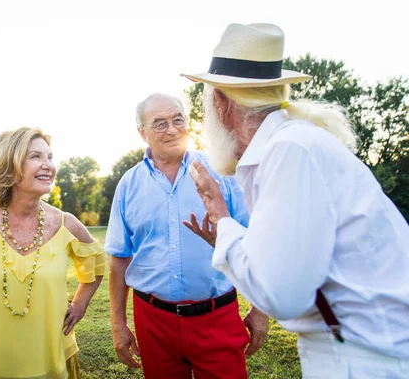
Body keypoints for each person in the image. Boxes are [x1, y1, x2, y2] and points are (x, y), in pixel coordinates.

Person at [181, 23, 409, 378]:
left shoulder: (290, 151)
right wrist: (228, 235)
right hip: (359, 348)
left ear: (222, 103)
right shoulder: (288, 146)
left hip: (368, 357)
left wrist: (222, 218)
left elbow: (282, 296)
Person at [105, 93, 269, 379]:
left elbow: (256, 242)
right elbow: (120, 259)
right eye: (159, 123)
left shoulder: (220, 173)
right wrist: (118, 323)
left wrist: (260, 310)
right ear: (142, 133)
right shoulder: (129, 185)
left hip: (217, 316)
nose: (171, 129)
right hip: (153, 320)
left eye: (177, 119)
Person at [0, 127, 105, 379]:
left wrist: (79, 305)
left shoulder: (65, 223)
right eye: (36, 156)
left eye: (50, 157)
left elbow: (98, 263)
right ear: (9, 165)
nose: (48, 165)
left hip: (48, 357)